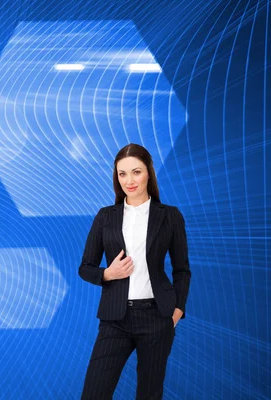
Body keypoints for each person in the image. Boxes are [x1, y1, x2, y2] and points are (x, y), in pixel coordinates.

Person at [78, 143, 191, 399]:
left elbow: (182, 270)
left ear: (149, 173)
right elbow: (85, 268)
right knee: (94, 393)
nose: (129, 180)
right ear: (117, 178)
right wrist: (108, 273)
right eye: (122, 174)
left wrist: (176, 312)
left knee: (149, 394)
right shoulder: (105, 216)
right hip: (115, 319)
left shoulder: (170, 216)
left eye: (136, 172)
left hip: (157, 317)